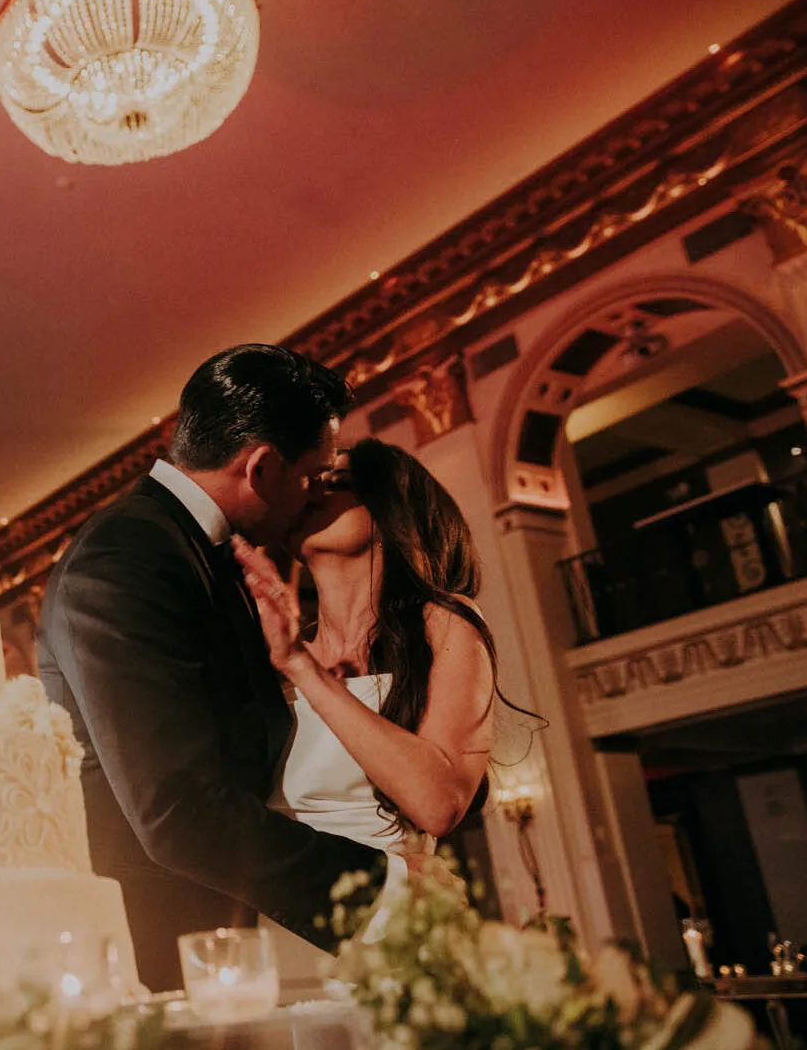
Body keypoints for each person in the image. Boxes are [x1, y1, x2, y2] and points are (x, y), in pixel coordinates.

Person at [37, 344, 389, 992]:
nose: (312, 497)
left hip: (220, 935)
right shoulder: (125, 559)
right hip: (157, 955)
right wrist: (377, 892)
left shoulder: (195, 550)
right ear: (261, 467)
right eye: (312, 477)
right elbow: (176, 810)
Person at [231, 438, 532, 869]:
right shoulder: (274, 648)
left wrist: (302, 666)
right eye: (309, 482)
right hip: (283, 898)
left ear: (391, 507)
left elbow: (438, 805)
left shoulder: (443, 622)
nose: (311, 493)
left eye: (335, 481)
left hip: (390, 909)